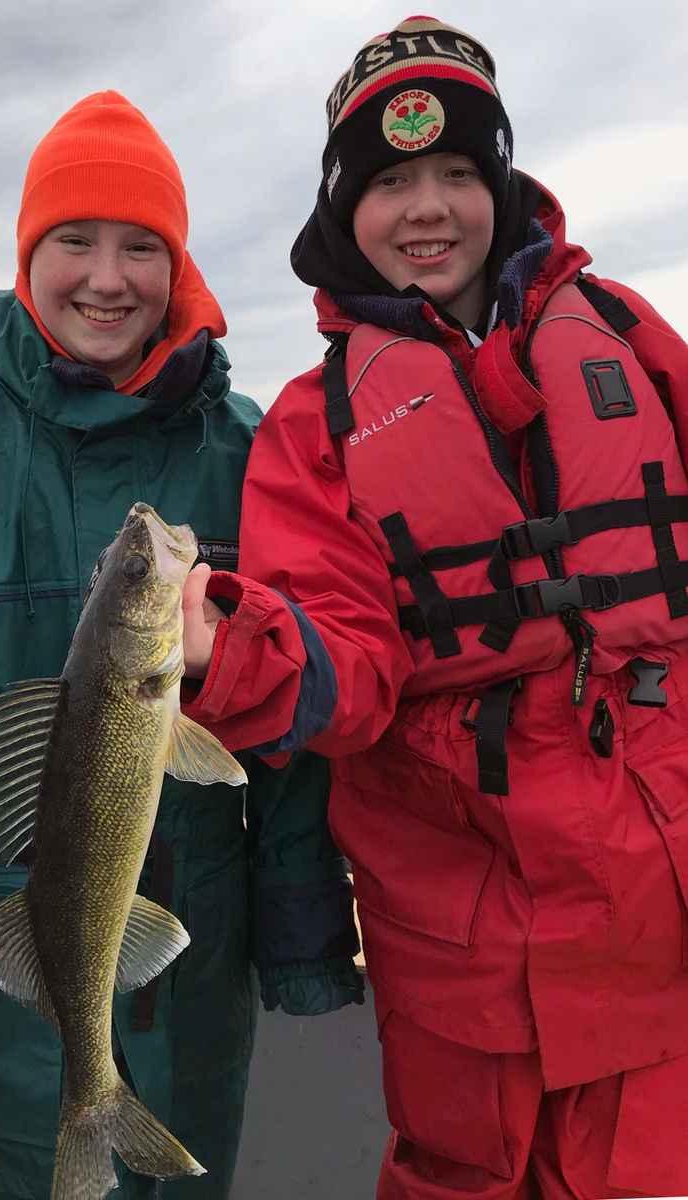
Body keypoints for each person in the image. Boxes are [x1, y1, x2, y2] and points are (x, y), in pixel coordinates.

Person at [0, 91, 363, 1200]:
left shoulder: (253, 454)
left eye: (141, 246)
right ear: (26, 254)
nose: (106, 276)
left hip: (192, 1011)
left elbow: (294, 745)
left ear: (180, 269)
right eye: (73, 241)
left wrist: (298, 932)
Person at [180, 16, 688, 1200]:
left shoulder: (625, 336)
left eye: (459, 172)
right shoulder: (318, 421)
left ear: (502, 186)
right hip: (461, 944)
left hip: (659, 902)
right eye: (391, 180)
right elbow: (342, 668)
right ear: (340, 210)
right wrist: (229, 652)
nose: (428, 208)